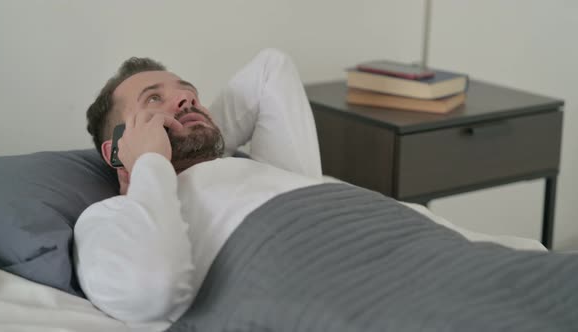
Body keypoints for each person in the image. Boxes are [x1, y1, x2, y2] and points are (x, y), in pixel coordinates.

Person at [74, 49, 546, 326]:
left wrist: (194, 133)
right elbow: (151, 290)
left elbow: (270, 67)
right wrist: (152, 160)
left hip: (419, 249)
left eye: (187, 90)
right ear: (115, 149)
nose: (186, 96)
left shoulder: (272, 174)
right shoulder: (109, 218)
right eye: (153, 99)